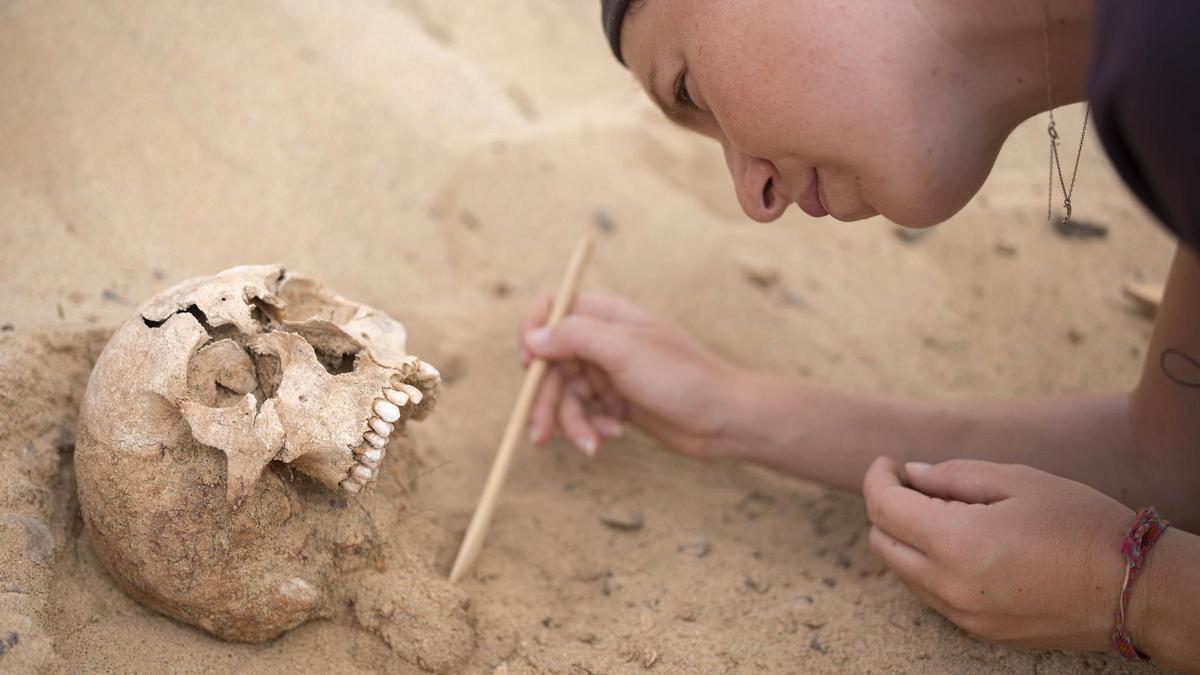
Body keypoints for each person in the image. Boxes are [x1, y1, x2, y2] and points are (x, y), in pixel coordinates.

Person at [519, 0, 1200, 669]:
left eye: (687, 87)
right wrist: (726, 409)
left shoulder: (1166, 57)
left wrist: (1141, 593)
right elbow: (1170, 460)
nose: (752, 199)